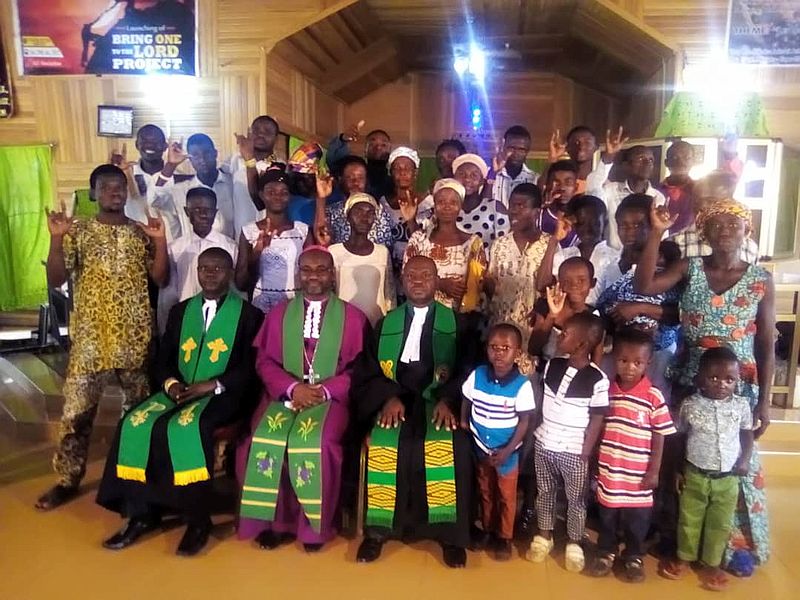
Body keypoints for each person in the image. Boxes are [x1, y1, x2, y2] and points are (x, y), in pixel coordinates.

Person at [634, 198, 773, 571]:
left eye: (733, 224)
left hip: (738, 386)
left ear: (748, 230)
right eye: (716, 225)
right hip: (690, 381)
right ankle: (676, 542)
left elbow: (765, 341)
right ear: (704, 232)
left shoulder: (761, 280)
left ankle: (730, 546)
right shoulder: (689, 268)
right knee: (681, 463)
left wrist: (764, 403)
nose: (725, 230)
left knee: (732, 464)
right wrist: (657, 233)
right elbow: (645, 284)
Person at [96, 248, 263, 556]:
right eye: (204, 268)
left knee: (190, 428)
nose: (210, 274)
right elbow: (163, 359)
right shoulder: (180, 311)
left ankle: (198, 521)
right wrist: (171, 385)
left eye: (218, 268)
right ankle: (143, 513)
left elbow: (251, 367)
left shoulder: (250, 315)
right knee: (135, 423)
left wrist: (213, 385)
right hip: (179, 390)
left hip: (223, 396)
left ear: (230, 274)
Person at [35, 164, 169, 511]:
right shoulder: (77, 232)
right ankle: (67, 479)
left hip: (135, 338)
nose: (114, 192)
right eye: (106, 187)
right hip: (91, 341)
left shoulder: (141, 233)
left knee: (139, 414)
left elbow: (161, 279)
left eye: (119, 186)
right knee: (76, 413)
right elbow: (55, 279)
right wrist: (55, 238)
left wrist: (160, 242)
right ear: (93, 193)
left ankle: (133, 477)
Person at [236, 246, 368, 552]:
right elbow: (264, 362)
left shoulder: (353, 318)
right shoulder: (280, 313)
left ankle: (313, 528)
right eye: (306, 269)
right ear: (298, 274)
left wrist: (323, 390)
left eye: (321, 270)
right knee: (261, 440)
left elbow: (358, 370)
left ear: (333, 276)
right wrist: (293, 388)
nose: (313, 276)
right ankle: (277, 523)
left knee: (315, 444)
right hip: (285, 395)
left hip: (331, 399)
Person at [352, 256, 475, 568]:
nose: (418, 280)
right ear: (402, 281)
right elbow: (367, 371)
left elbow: (467, 369)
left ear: (437, 281)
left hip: (438, 402)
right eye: (411, 275)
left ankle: (449, 536)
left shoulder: (458, 324)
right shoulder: (385, 324)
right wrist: (388, 397)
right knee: (389, 444)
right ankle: (379, 532)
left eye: (425, 275)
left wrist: (448, 399)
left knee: (454, 447)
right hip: (397, 400)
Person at [659, 347, 754, 592]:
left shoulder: (741, 406)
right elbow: (679, 439)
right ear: (700, 379)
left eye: (729, 379)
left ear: (737, 381)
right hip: (695, 473)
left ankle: (713, 564)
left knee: (720, 523)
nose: (722, 384)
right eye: (714, 378)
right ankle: (684, 558)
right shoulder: (689, 405)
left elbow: (747, 435)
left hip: (727, 478)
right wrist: (678, 470)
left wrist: (745, 460)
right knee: (689, 520)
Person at [588, 328, 676, 582]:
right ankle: (606, 551)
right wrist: (595, 459)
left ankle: (634, 555)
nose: (629, 368)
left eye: (637, 362)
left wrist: (654, 471)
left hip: (638, 476)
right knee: (607, 514)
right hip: (611, 470)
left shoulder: (653, 396)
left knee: (637, 520)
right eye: (623, 361)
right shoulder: (606, 391)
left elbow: (660, 434)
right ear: (614, 358)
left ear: (648, 363)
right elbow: (599, 426)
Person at [527, 312, 609, 573]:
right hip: (545, 442)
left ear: (582, 345)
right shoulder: (553, 365)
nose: (560, 336)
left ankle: (574, 542)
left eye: (565, 334)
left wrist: (586, 451)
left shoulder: (598, 380)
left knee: (576, 499)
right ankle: (544, 536)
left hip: (574, 449)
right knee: (545, 492)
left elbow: (597, 419)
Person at [461, 324, 535, 561]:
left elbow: (524, 422)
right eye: (494, 347)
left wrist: (508, 450)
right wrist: (464, 421)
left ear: (518, 352)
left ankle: (504, 537)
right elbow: (466, 398)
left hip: (507, 454)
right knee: (485, 491)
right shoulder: (478, 375)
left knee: (506, 495)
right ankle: (488, 529)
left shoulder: (522, 385)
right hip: (481, 447)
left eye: (506, 348)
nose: (499, 353)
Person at [595, 195, 681, 393]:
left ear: (652, 225)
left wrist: (641, 308)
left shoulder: (668, 264)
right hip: (620, 355)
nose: (629, 232)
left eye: (637, 225)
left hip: (659, 355)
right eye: (623, 225)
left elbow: (680, 314)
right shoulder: (609, 266)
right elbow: (600, 309)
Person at [483, 183, 550, 374]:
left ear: (536, 212)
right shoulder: (499, 245)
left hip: (532, 335)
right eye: (512, 205)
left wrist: (553, 242)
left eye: (521, 206)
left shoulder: (549, 244)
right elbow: (490, 290)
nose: (513, 211)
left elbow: (546, 285)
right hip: (501, 335)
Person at [157, 187, 239, 332]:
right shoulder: (175, 249)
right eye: (196, 210)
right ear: (187, 212)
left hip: (220, 319)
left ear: (215, 213)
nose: (203, 215)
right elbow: (168, 294)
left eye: (208, 210)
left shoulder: (230, 247)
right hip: (185, 318)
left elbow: (236, 289)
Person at [404, 179, 486, 312]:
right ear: (434, 205)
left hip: (460, 319)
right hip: (423, 313)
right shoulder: (418, 239)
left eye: (453, 202)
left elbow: (478, 287)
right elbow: (406, 277)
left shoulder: (473, 243)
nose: (447, 206)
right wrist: (440, 284)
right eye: (441, 202)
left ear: (460, 206)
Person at [235, 170, 309, 314]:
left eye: (284, 192)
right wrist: (256, 253)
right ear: (262, 195)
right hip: (260, 308)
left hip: (295, 308)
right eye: (271, 191)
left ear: (290, 196)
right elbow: (240, 284)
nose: (278, 196)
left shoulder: (303, 231)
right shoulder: (249, 231)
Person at [538, 195, 619, 305]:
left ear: (604, 224)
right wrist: (554, 240)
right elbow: (542, 286)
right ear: (574, 226)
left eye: (595, 223)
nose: (588, 230)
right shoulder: (564, 255)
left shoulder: (615, 258)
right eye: (582, 223)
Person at [329, 193, 395, 326]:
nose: (364, 218)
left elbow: (389, 293)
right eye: (358, 212)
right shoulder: (334, 252)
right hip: (344, 324)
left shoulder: (382, 252)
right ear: (348, 216)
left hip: (376, 323)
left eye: (370, 213)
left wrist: (389, 322)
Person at [667, 169, 760, 264]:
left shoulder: (749, 248)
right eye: (697, 201)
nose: (701, 206)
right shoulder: (675, 244)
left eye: (711, 201)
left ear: (729, 202)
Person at [154, 133, 236, 240]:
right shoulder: (181, 190)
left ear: (215, 154)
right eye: (196, 155)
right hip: (193, 255)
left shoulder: (232, 184)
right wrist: (170, 166)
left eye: (206, 153)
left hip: (229, 252)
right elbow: (154, 201)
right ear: (190, 160)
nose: (202, 159)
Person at [111, 124, 181, 242]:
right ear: (137, 145)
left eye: (155, 142)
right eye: (145, 141)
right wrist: (112, 170)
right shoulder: (124, 174)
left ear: (165, 146)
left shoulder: (178, 176)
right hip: (135, 244)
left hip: (171, 244)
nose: (150, 145)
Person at [529, 257, 602, 367]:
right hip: (544, 373)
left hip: (576, 378)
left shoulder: (595, 317)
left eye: (581, 280)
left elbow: (596, 364)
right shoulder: (546, 307)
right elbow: (533, 349)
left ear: (592, 283)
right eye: (567, 281)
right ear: (559, 283)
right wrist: (552, 315)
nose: (574, 286)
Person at [599, 145, 666, 250]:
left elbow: (660, 233)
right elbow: (593, 188)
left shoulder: (658, 197)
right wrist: (608, 157)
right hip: (612, 259)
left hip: (642, 258)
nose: (647, 163)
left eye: (651, 160)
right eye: (641, 159)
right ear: (626, 165)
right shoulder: (610, 190)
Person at [321, 155, 393, 248]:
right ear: (340, 179)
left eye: (360, 178)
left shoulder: (379, 211)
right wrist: (321, 198)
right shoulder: (331, 212)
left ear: (367, 181)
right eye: (349, 177)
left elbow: (385, 249)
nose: (355, 182)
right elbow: (322, 240)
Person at [230, 115, 285, 235]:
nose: (261, 134)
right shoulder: (235, 160)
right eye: (256, 130)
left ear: (276, 139)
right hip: (240, 238)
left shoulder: (281, 167)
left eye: (267, 132)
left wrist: (249, 160)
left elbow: (259, 201)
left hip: (269, 237)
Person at [379, 146, 425, 288]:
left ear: (415, 173)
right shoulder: (382, 204)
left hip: (419, 275)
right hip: (390, 275)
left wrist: (411, 220)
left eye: (407, 169)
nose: (403, 172)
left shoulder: (428, 203)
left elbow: (428, 242)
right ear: (391, 173)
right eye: (397, 169)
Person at [546, 126, 627, 194]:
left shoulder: (604, 184)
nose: (581, 147)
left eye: (587, 143)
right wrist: (553, 158)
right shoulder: (559, 183)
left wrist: (609, 155)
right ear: (567, 148)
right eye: (576, 142)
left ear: (596, 147)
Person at [450, 153, 505, 248]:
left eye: (474, 175)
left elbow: (504, 246)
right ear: (454, 178)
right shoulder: (445, 208)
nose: (467, 179)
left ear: (482, 181)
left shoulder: (495, 208)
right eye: (461, 174)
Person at [326, 122, 393, 199]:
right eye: (372, 144)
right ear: (365, 149)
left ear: (390, 149)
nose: (378, 147)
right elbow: (333, 160)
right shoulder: (356, 168)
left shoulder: (394, 180)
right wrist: (343, 139)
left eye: (383, 145)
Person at [488, 125, 538, 216]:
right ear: (503, 147)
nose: (516, 153)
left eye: (521, 149)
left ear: (527, 151)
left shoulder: (535, 179)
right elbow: (483, 205)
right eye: (511, 148)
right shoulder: (488, 175)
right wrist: (492, 174)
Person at [537, 159, 580, 248]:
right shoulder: (537, 216)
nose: (562, 188)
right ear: (548, 185)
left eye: (568, 183)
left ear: (576, 188)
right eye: (557, 183)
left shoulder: (580, 222)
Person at [659, 140, 695, 235]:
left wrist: (729, 153)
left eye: (686, 158)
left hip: (692, 247)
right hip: (661, 246)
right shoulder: (654, 192)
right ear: (666, 162)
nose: (680, 162)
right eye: (675, 157)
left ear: (693, 161)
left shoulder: (700, 190)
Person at [286, 142, 324, 226]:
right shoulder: (289, 203)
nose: (303, 180)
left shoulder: (330, 197)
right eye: (299, 177)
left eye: (308, 176)